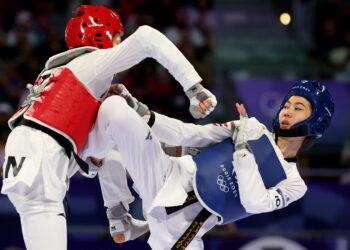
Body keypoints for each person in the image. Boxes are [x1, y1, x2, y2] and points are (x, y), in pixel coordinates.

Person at [0, 5, 217, 250]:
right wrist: (194, 88)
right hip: (41, 152)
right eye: (118, 36)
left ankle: (119, 218)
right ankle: (118, 217)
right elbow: (147, 36)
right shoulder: (91, 63)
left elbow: (109, 126)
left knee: (114, 115)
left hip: (45, 146)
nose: (121, 42)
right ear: (101, 34)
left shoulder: (66, 73)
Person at [81, 80, 334, 249]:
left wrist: (243, 148)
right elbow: (188, 134)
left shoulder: (294, 184)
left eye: (298, 107)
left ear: (316, 122)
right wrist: (140, 110)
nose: (287, 111)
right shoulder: (252, 127)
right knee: (114, 111)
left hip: (184, 231)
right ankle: (119, 217)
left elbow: (253, 201)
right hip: (167, 174)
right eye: (287, 104)